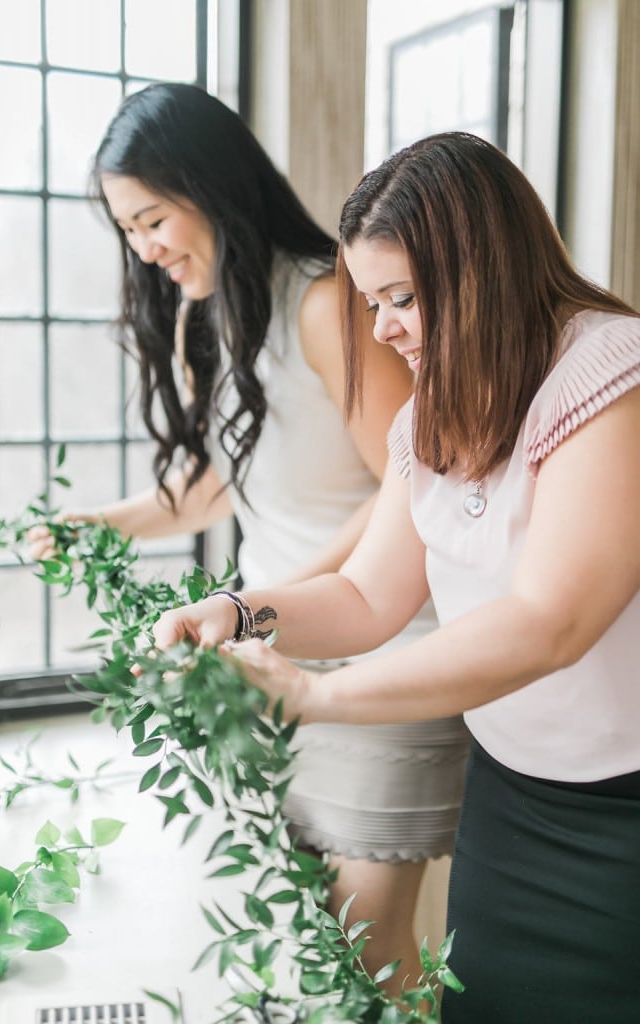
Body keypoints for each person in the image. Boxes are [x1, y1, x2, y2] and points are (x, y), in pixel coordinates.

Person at [150, 131, 640, 1024]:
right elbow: (367, 596)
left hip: (623, 814)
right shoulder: (433, 411)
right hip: (512, 792)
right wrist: (235, 610)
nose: (381, 330)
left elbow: (549, 622)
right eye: (372, 303)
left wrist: (318, 698)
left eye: (403, 299)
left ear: (481, 272)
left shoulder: (609, 375)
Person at [27, 84, 470, 990]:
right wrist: (98, 523)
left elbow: (409, 483)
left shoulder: (324, 304)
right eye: (128, 231)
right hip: (276, 648)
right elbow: (219, 484)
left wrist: (261, 604)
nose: (144, 249)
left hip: (382, 652)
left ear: (208, 186)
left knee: (363, 952)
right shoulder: (225, 308)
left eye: (152, 218)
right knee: (308, 932)